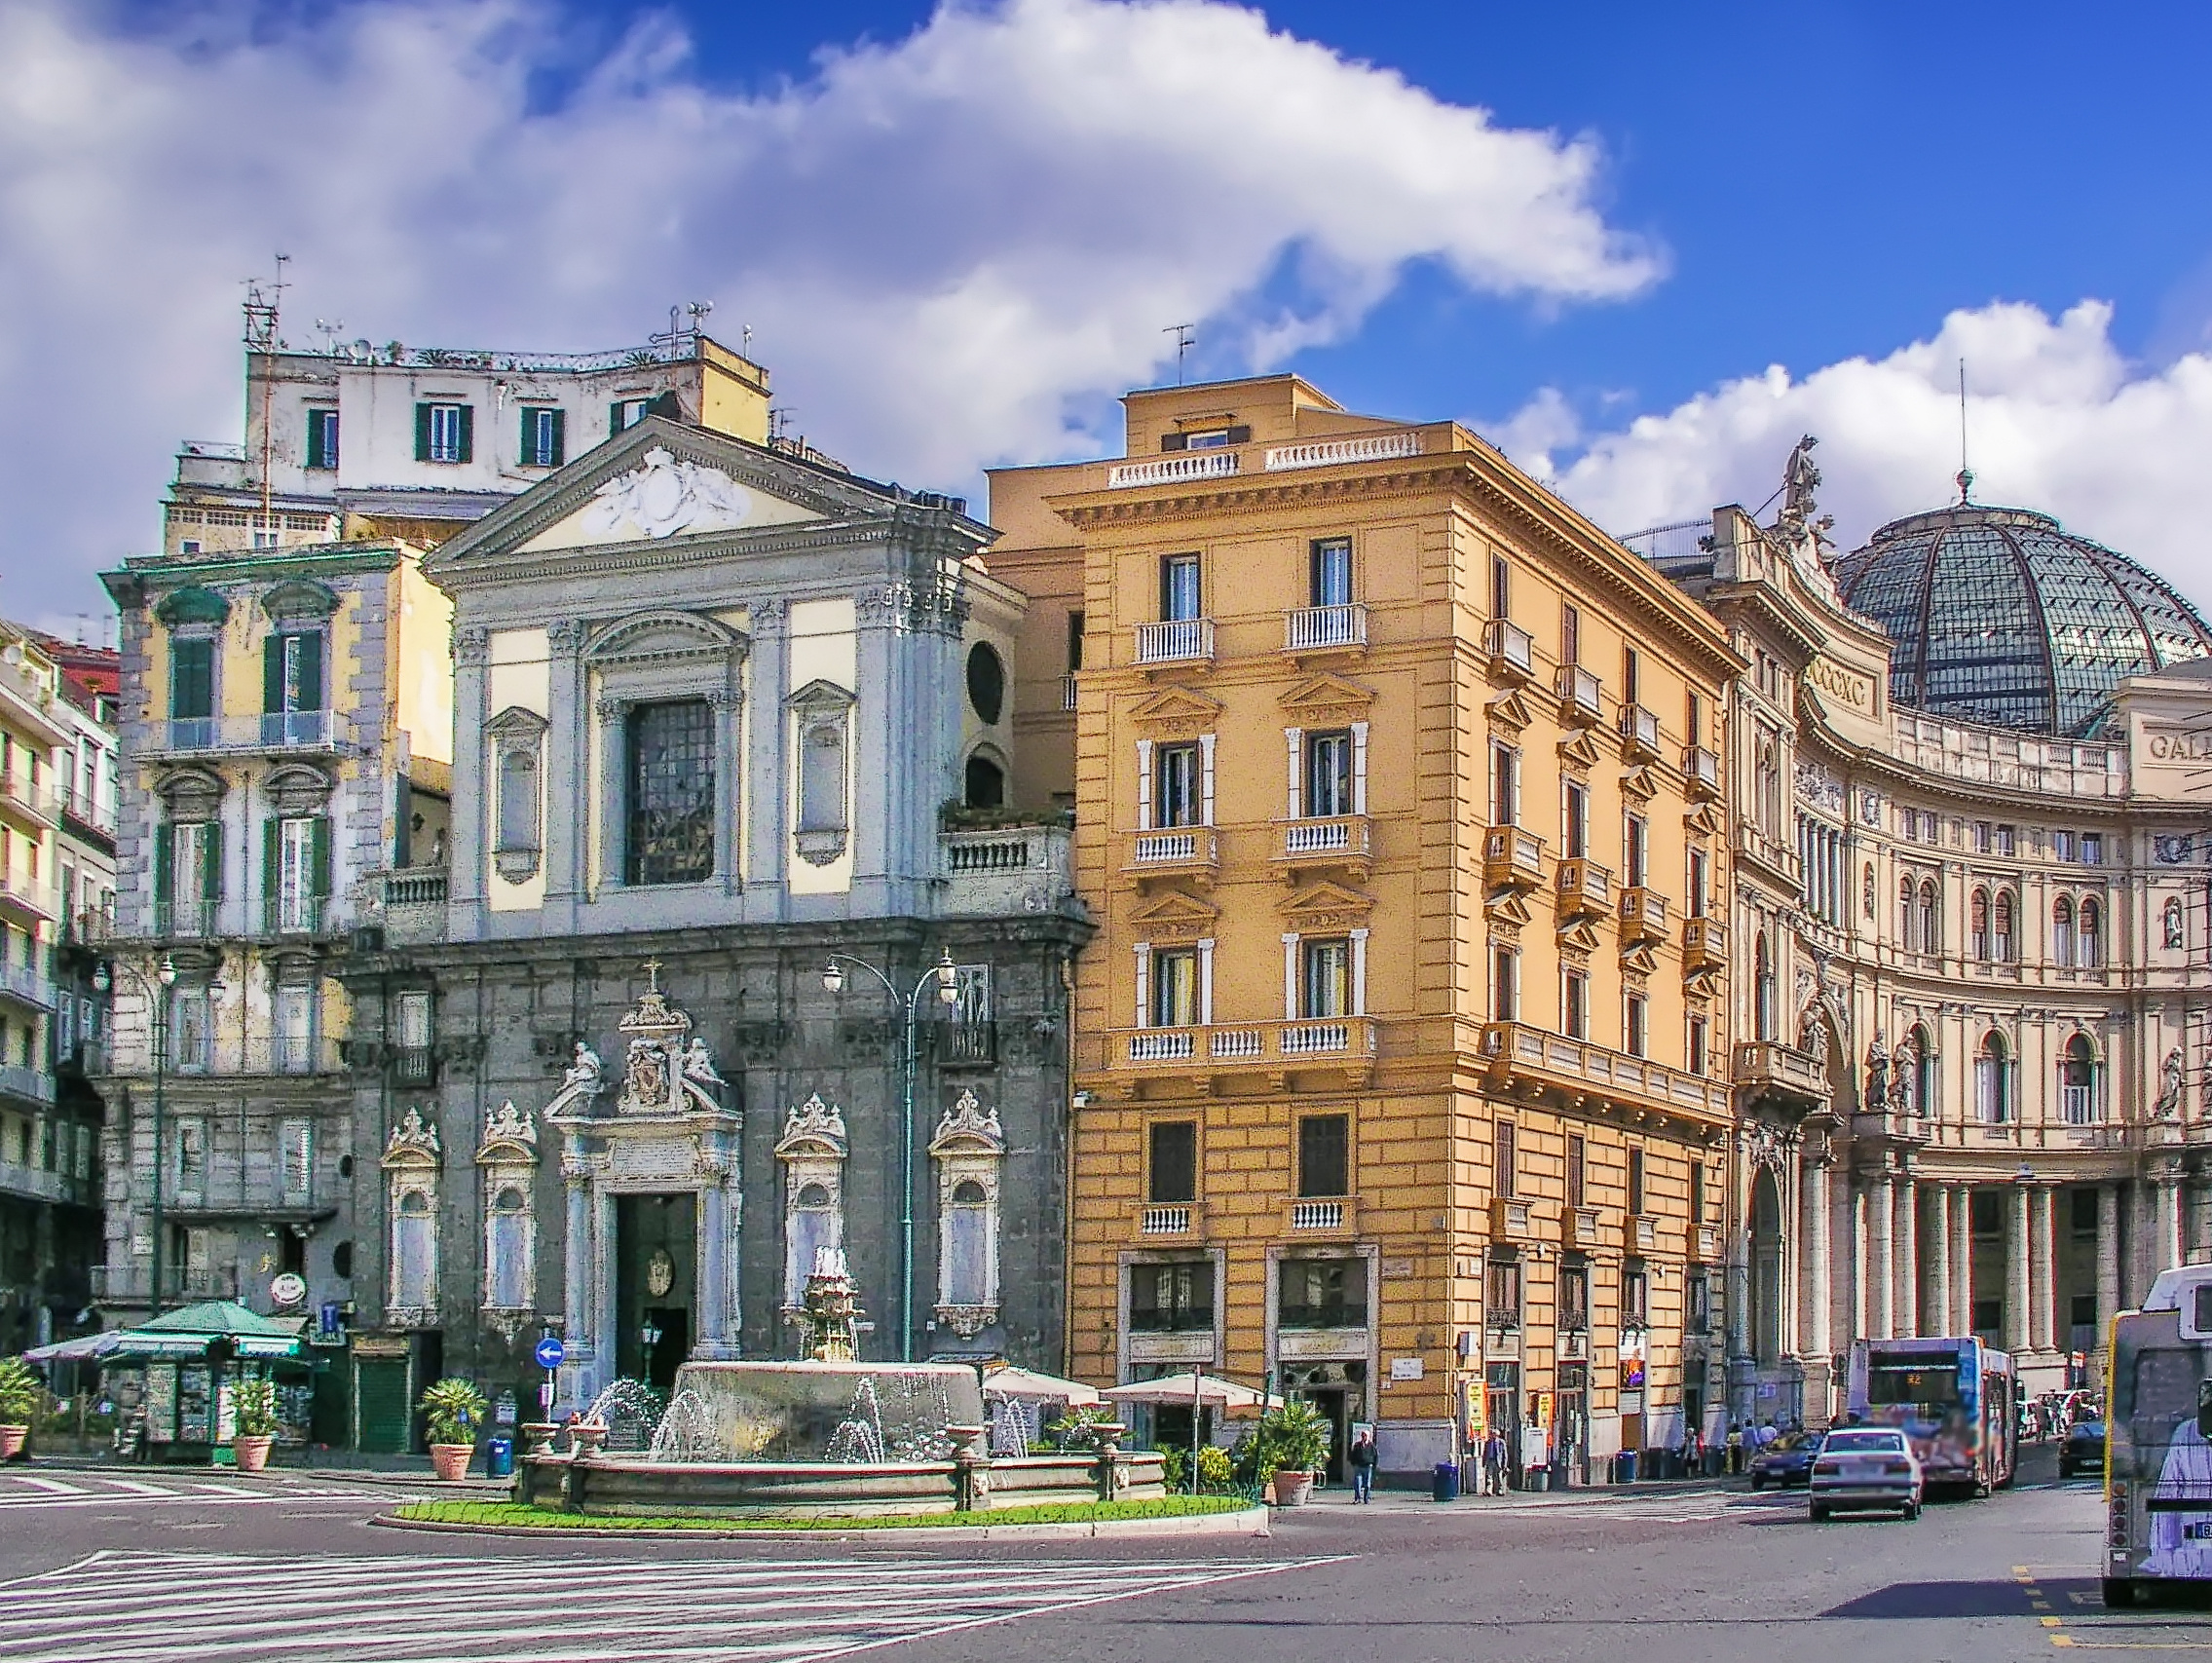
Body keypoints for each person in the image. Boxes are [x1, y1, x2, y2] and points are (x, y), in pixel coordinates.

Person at [1348, 1431, 1377, 1503]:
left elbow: (1375, 1456)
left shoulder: (1371, 1446)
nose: (1364, 1437)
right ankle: (1357, 1498)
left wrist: (1374, 1465)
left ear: (1369, 1436)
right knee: (1357, 1483)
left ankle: (1366, 1498)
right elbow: (1353, 1454)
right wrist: (1353, 1463)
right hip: (1358, 1466)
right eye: (1363, 1435)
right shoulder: (1357, 1445)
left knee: (1367, 1484)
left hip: (1368, 1466)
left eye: (1366, 1435)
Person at [1482, 1427, 1509, 1496]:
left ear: (1497, 1435)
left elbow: (1504, 1453)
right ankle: (1489, 1490)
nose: (1491, 1435)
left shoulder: (1501, 1442)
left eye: (1493, 1434)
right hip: (1490, 1461)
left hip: (1498, 1461)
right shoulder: (1488, 1442)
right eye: (1491, 1434)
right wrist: (1484, 1462)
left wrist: (1505, 1464)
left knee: (1499, 1476)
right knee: (1489, 1476)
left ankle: (1499, 1490)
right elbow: (1485, 1452)